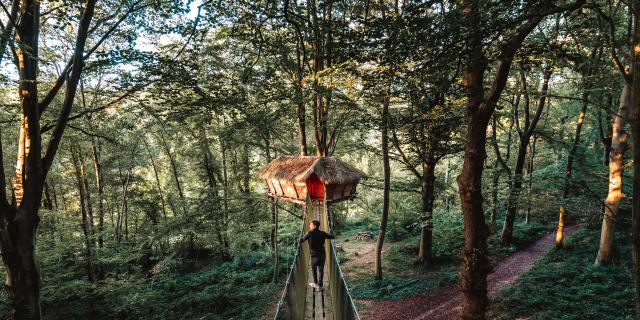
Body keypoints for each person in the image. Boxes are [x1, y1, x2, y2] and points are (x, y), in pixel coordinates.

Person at [299, 219, 335, 290]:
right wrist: (330, 230)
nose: (309, 225)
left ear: (314, 226)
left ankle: (315, 283)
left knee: (314, 269)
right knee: (321, 270)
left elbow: (302, 240)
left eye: (311, 224)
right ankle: (320, 286)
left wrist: (298, 240)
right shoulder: (323, 233)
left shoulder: (309, 233)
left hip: (314, 255)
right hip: (322, 254)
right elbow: (332, 237)